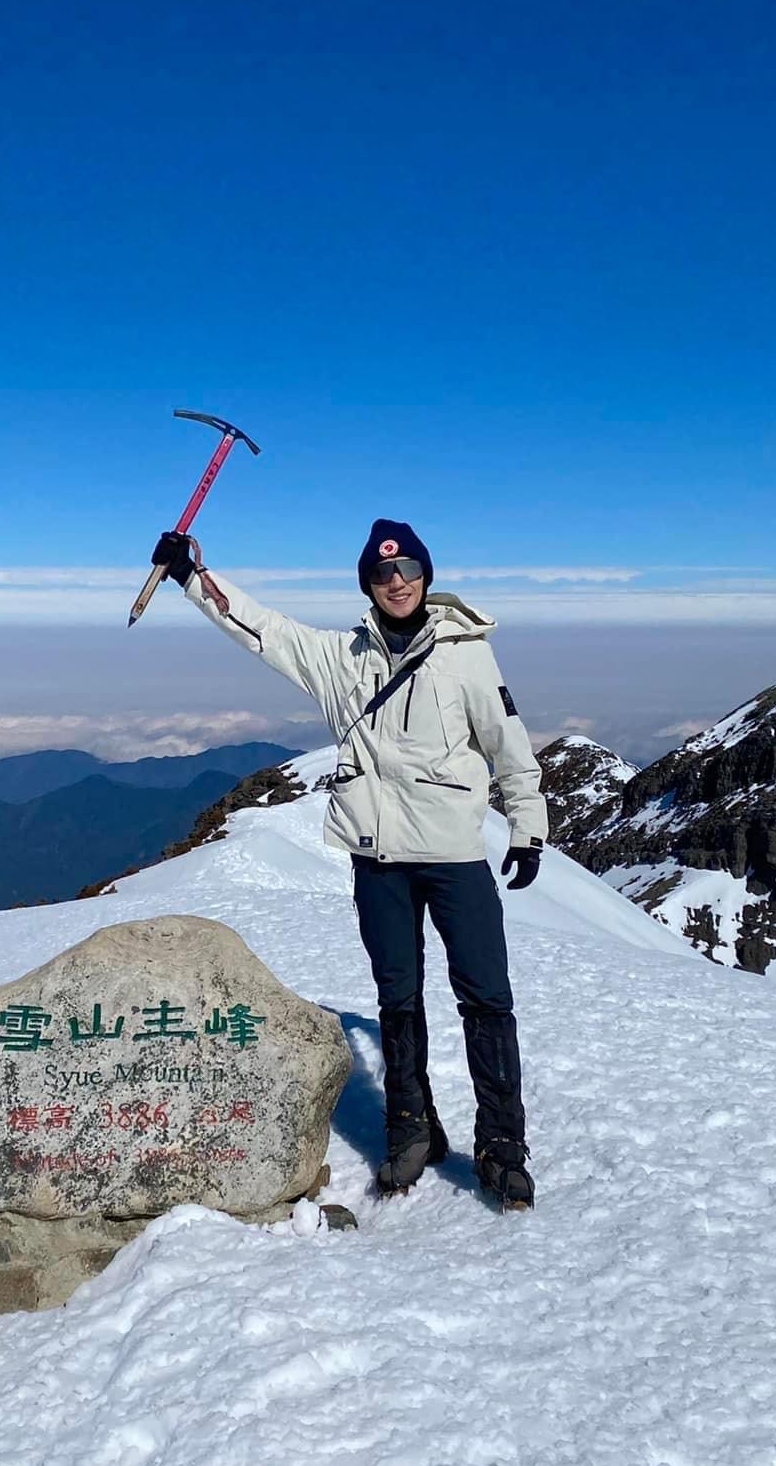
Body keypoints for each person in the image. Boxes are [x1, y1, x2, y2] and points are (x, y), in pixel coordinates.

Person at [150, 519, 548, 1210]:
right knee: (397, 998)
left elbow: (507, 743)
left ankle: (502, 1145)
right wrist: (190, 577)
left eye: (410, 570)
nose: (398, 582)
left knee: (486, 997)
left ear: (426, 576)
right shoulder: (342, 657)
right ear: (368, 583)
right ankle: (411, 1128)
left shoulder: (467, 655)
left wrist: (528, 827)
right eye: (384, 573)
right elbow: (263, 630)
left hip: (454, 855)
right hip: (378, 857)